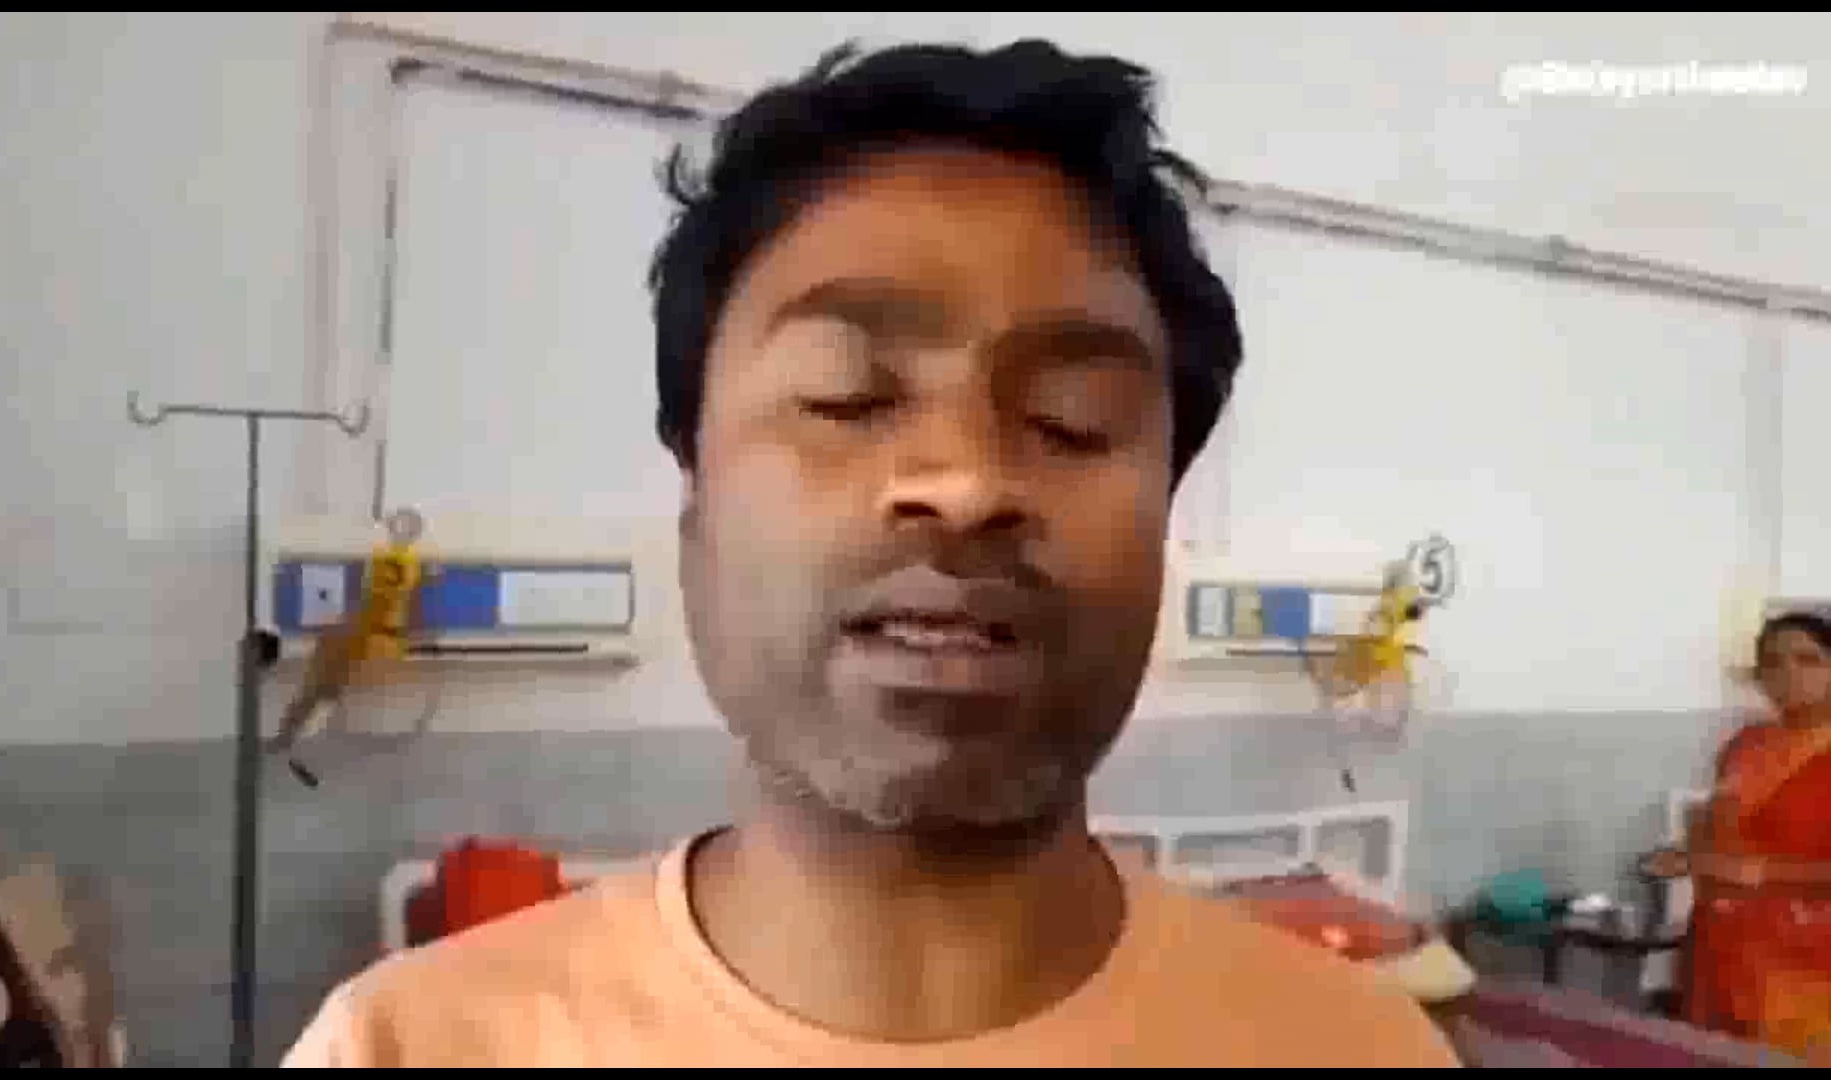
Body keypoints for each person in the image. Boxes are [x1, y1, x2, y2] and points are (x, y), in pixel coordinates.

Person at [282, 39, 1458, 1068]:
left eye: (1072, 419)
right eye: (847, 395)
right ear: (695, 495)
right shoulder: (410, 1047)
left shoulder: (1360, 1050)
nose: (966, 484)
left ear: (1166, 515)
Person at [1671, 611, 1831, 1062]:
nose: (1789, 673)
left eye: (1808, 659)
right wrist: (1691, 856)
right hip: (1722, 950)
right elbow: (1717, 830)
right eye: (1773, 662)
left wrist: (1761, 873)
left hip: (1807, 963)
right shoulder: (1746, 745)